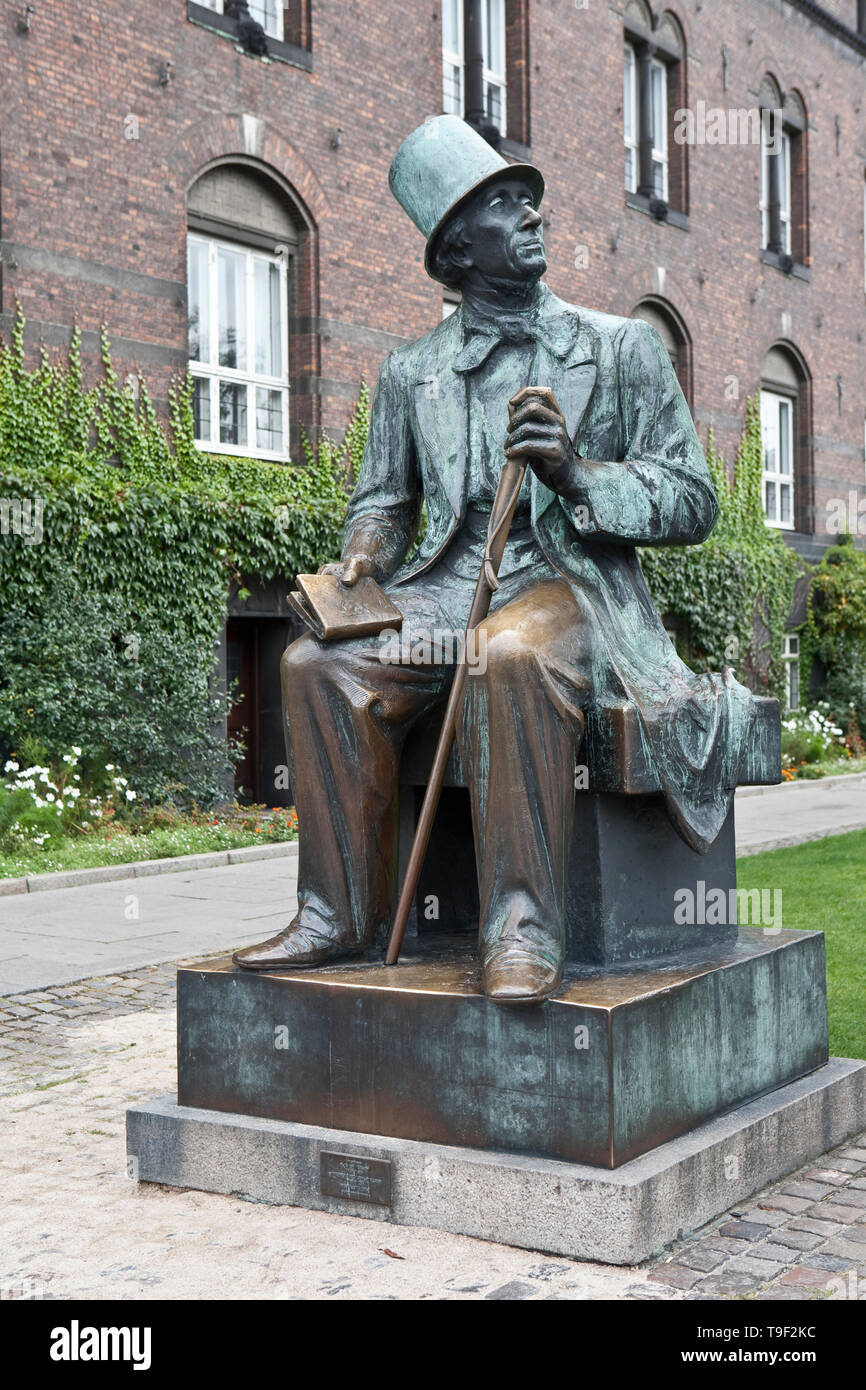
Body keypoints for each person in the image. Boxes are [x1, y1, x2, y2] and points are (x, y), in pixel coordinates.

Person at [234, 115, 755, 1005]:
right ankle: (338, 917)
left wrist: (577, 471)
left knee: (509, 653)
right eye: (504, 204)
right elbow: (385, 502)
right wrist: (364, 556)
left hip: (572, 589)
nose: (532, 217)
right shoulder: (410, 373)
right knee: (316, 664)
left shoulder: (621, 348)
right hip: (442, 591)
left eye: (530, 202)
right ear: (456, 249)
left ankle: (521, 929)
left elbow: (691, 499)